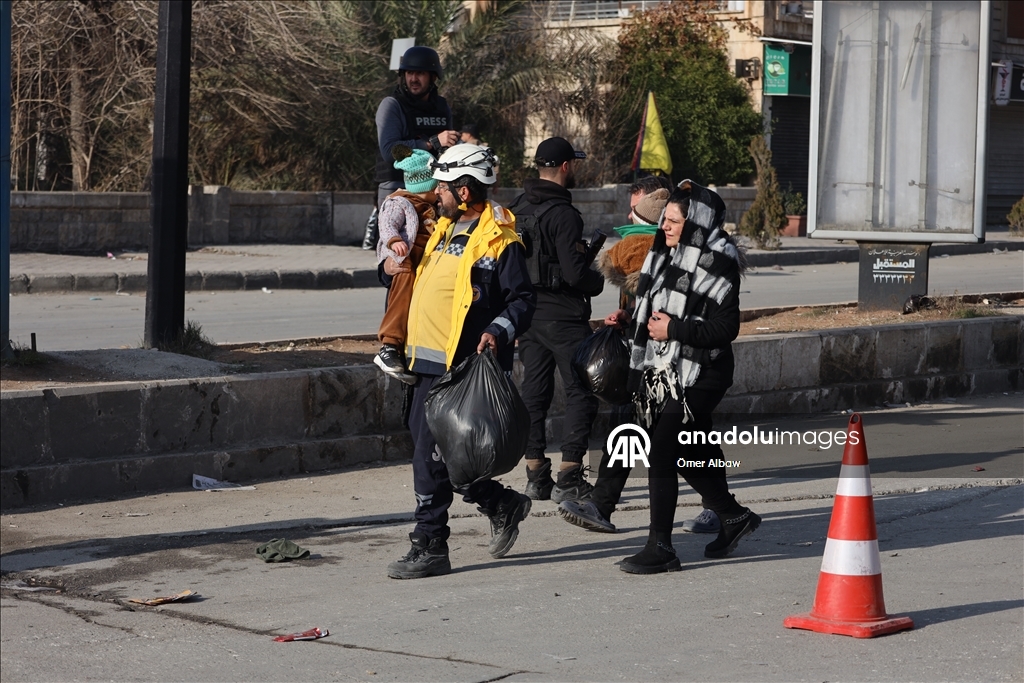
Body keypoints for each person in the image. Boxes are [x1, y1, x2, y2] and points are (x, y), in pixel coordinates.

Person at [381, 144, 536, 580]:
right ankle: (500, 503)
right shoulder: (442, 228)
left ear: (464, 191)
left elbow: (523, 300)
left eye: (444, 187)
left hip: (460, 370)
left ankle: (430, 545)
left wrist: (497, 330)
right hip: (422, 364)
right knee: (444, 457)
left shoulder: (499, 240)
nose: (436, 193)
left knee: (429, 461)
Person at [603, 180, 760, 574]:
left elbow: (724, 331)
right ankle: (733, 516)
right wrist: (632, 321)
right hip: (663, 369)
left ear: (697, 225)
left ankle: (661, 547)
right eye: (666, 219)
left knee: (662, 451)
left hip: (701, 374)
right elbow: (653, 308)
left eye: (674, 221)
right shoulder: (662, 255)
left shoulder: (719, 264)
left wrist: (674, 331)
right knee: (690, 452)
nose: (665, 227)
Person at [508, 137, 605, 504]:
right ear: (567, 166)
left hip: (528, 313)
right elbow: (576, 274)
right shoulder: (563, 214)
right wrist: (596, 280)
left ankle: (535, 474)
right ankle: (570, 474)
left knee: (534, 393)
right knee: (581, 390)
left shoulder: (517, 207)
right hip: (564, 315)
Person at [373, 146, 439, 384]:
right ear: (427, 186)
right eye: (437, 185)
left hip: (428, 260)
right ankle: (389, 345)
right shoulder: (399, 202)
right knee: (404, 274)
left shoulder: (435, 207)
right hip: (405, 257)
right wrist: (395, 241)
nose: (440, 190)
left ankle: (408, 356)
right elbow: (387, 224)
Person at [374, 46, 459, 208]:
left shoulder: (441, 107)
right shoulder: (392, 105)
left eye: (420, 73)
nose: (413, 79)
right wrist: (431, 143)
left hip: (434, 189)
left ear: (433, 77)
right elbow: (390, 151)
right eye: (409, 73)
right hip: (399, 188)